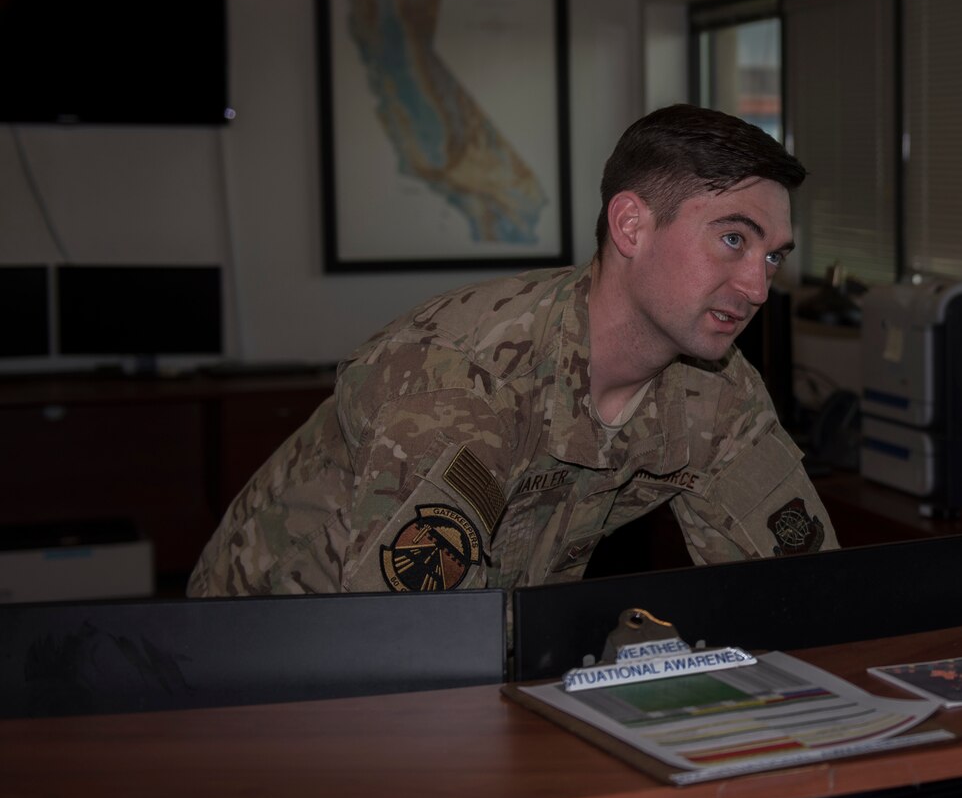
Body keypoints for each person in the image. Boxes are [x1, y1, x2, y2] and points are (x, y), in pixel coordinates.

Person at [189, 105, 835, 597]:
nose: (756, 286)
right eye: (732, 239)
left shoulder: (716, 388)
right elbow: (407, 644)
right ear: (632, 226)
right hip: (265, 659)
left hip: (476, 657)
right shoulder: (460, 381)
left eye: (772, 255)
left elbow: (807, 593)